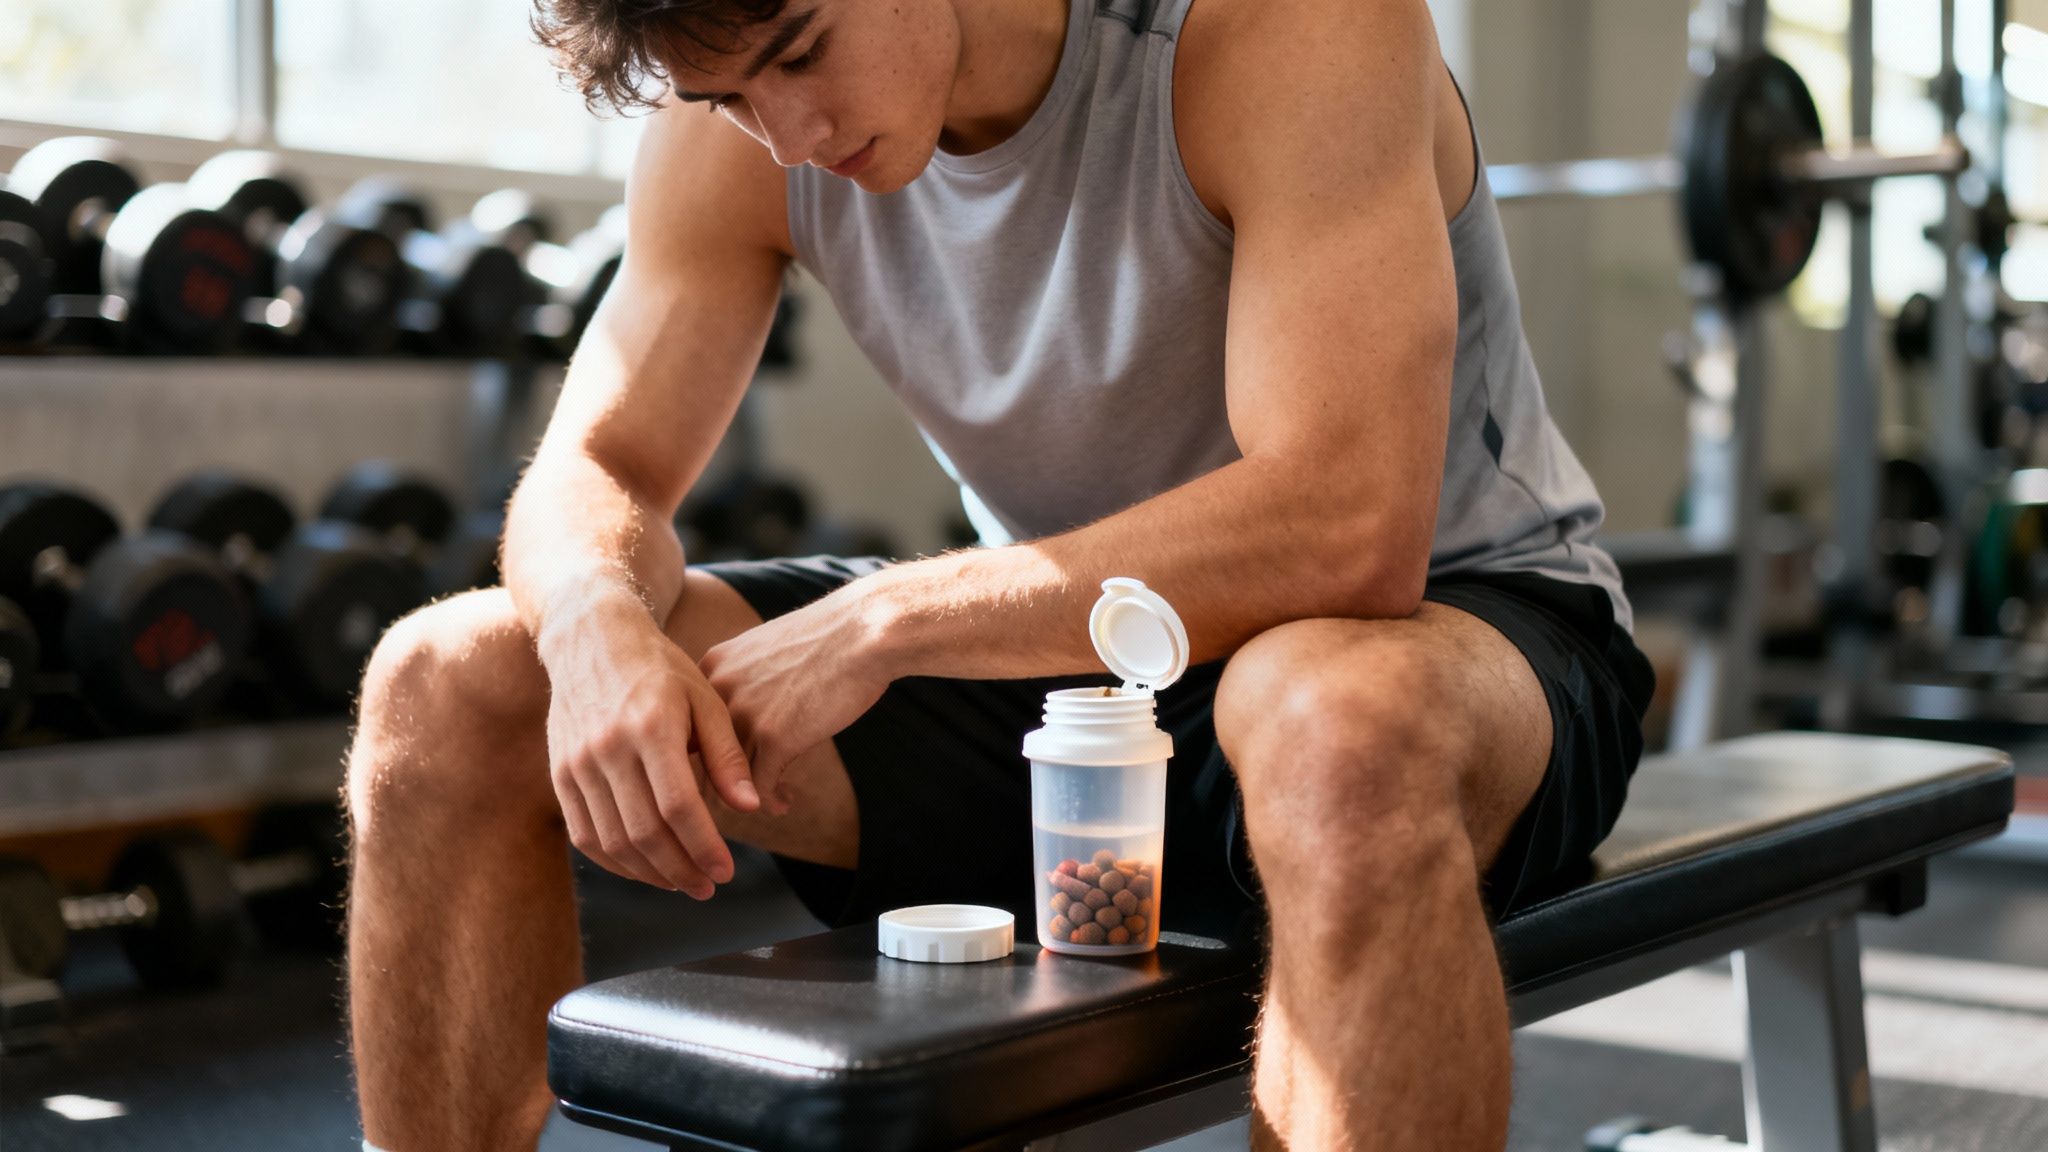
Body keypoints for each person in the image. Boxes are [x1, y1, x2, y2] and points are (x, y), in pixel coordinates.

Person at [345, 0, 1655, 1148]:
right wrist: (588, 625)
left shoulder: (1272, 24)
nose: (788, 134)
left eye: (802, 52)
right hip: (1072, 696)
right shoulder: (738, 127)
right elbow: (604, 460)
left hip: (1445, 637)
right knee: (446, 683)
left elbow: (1345, 524)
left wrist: (890, 619)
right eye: (729, 95)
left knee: (1327, 720)